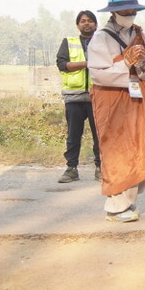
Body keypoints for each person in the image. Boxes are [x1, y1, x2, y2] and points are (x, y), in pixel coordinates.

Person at [87, 0, 145, 223]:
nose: (129, 14)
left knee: (143, 143)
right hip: (112, 98)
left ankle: (128, 201)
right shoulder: (101, 37)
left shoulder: (140, 34)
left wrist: (140, 62)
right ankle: (116, 207)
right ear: (114, 11)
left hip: (138, 95)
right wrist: (124, 64)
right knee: (118, 149)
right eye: (125, 10)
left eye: (132, 10)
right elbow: (98, 74)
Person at [55, 10, 101, 183]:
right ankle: (71, 169)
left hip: (97, 96)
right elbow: (61, 64)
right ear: (77, 25)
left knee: (100, 136)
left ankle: (100, 168)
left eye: (90, 21)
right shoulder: (69, 42)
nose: (86, 23)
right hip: (74, 97)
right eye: (82, 21)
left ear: (96, 24)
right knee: (73, 135)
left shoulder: (103, 42)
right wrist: (87, 64)